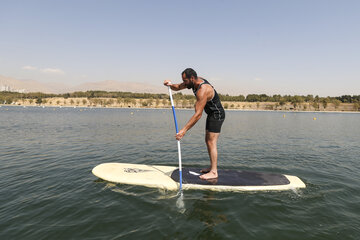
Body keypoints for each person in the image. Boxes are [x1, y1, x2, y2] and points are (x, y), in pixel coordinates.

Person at [164, 68, 225, 180]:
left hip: (217, 114)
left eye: (185, 80)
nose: (184, 83)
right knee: (208, 141)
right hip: (211, 114)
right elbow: (177, 87)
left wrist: (183, 131)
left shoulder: (203, 90)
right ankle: (212, 167)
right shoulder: (193, 83)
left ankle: (214, 172)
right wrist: (170, 84)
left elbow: (198, 115)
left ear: (191, 78)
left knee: (211, 142)